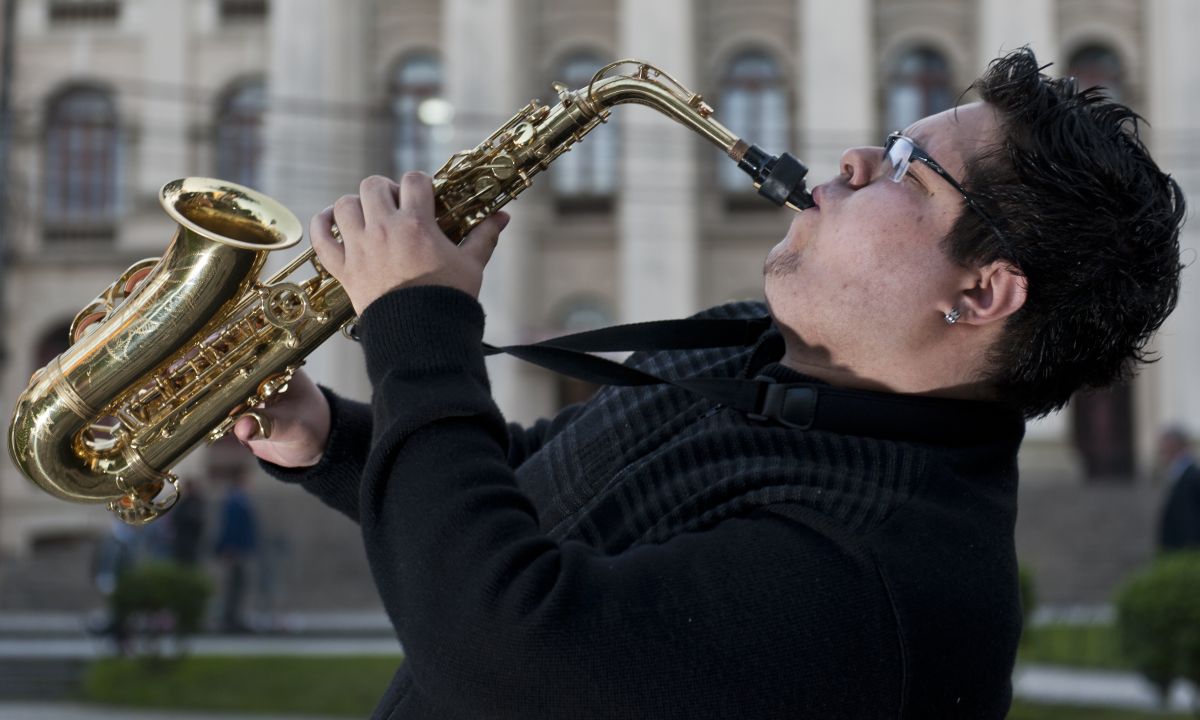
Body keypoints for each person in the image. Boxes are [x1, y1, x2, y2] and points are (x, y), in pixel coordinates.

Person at [233, 48, 1184, 719]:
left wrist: (417, 321)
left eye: (910, 168)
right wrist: (327, 438)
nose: (852, 161)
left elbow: (503, 646)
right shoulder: (751, 349)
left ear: (981, 292)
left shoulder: (879, 579)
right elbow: (541, 494)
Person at [212, 465, 259, 633]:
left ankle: (235, 618)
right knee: (233, 585)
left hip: (242, 548)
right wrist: (229, 547)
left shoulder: (241, 500)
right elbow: (230, 526)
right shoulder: (234, 501)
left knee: (239, 586)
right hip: (235, 550)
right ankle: (229, 620)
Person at [1156, 426, 1200, 551]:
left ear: (1175, 446)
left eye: (1164, 446)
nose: (1161, 451)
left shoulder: (1192, 475)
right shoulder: (1177, 472)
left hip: (1187, 549)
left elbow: (1190, 516)